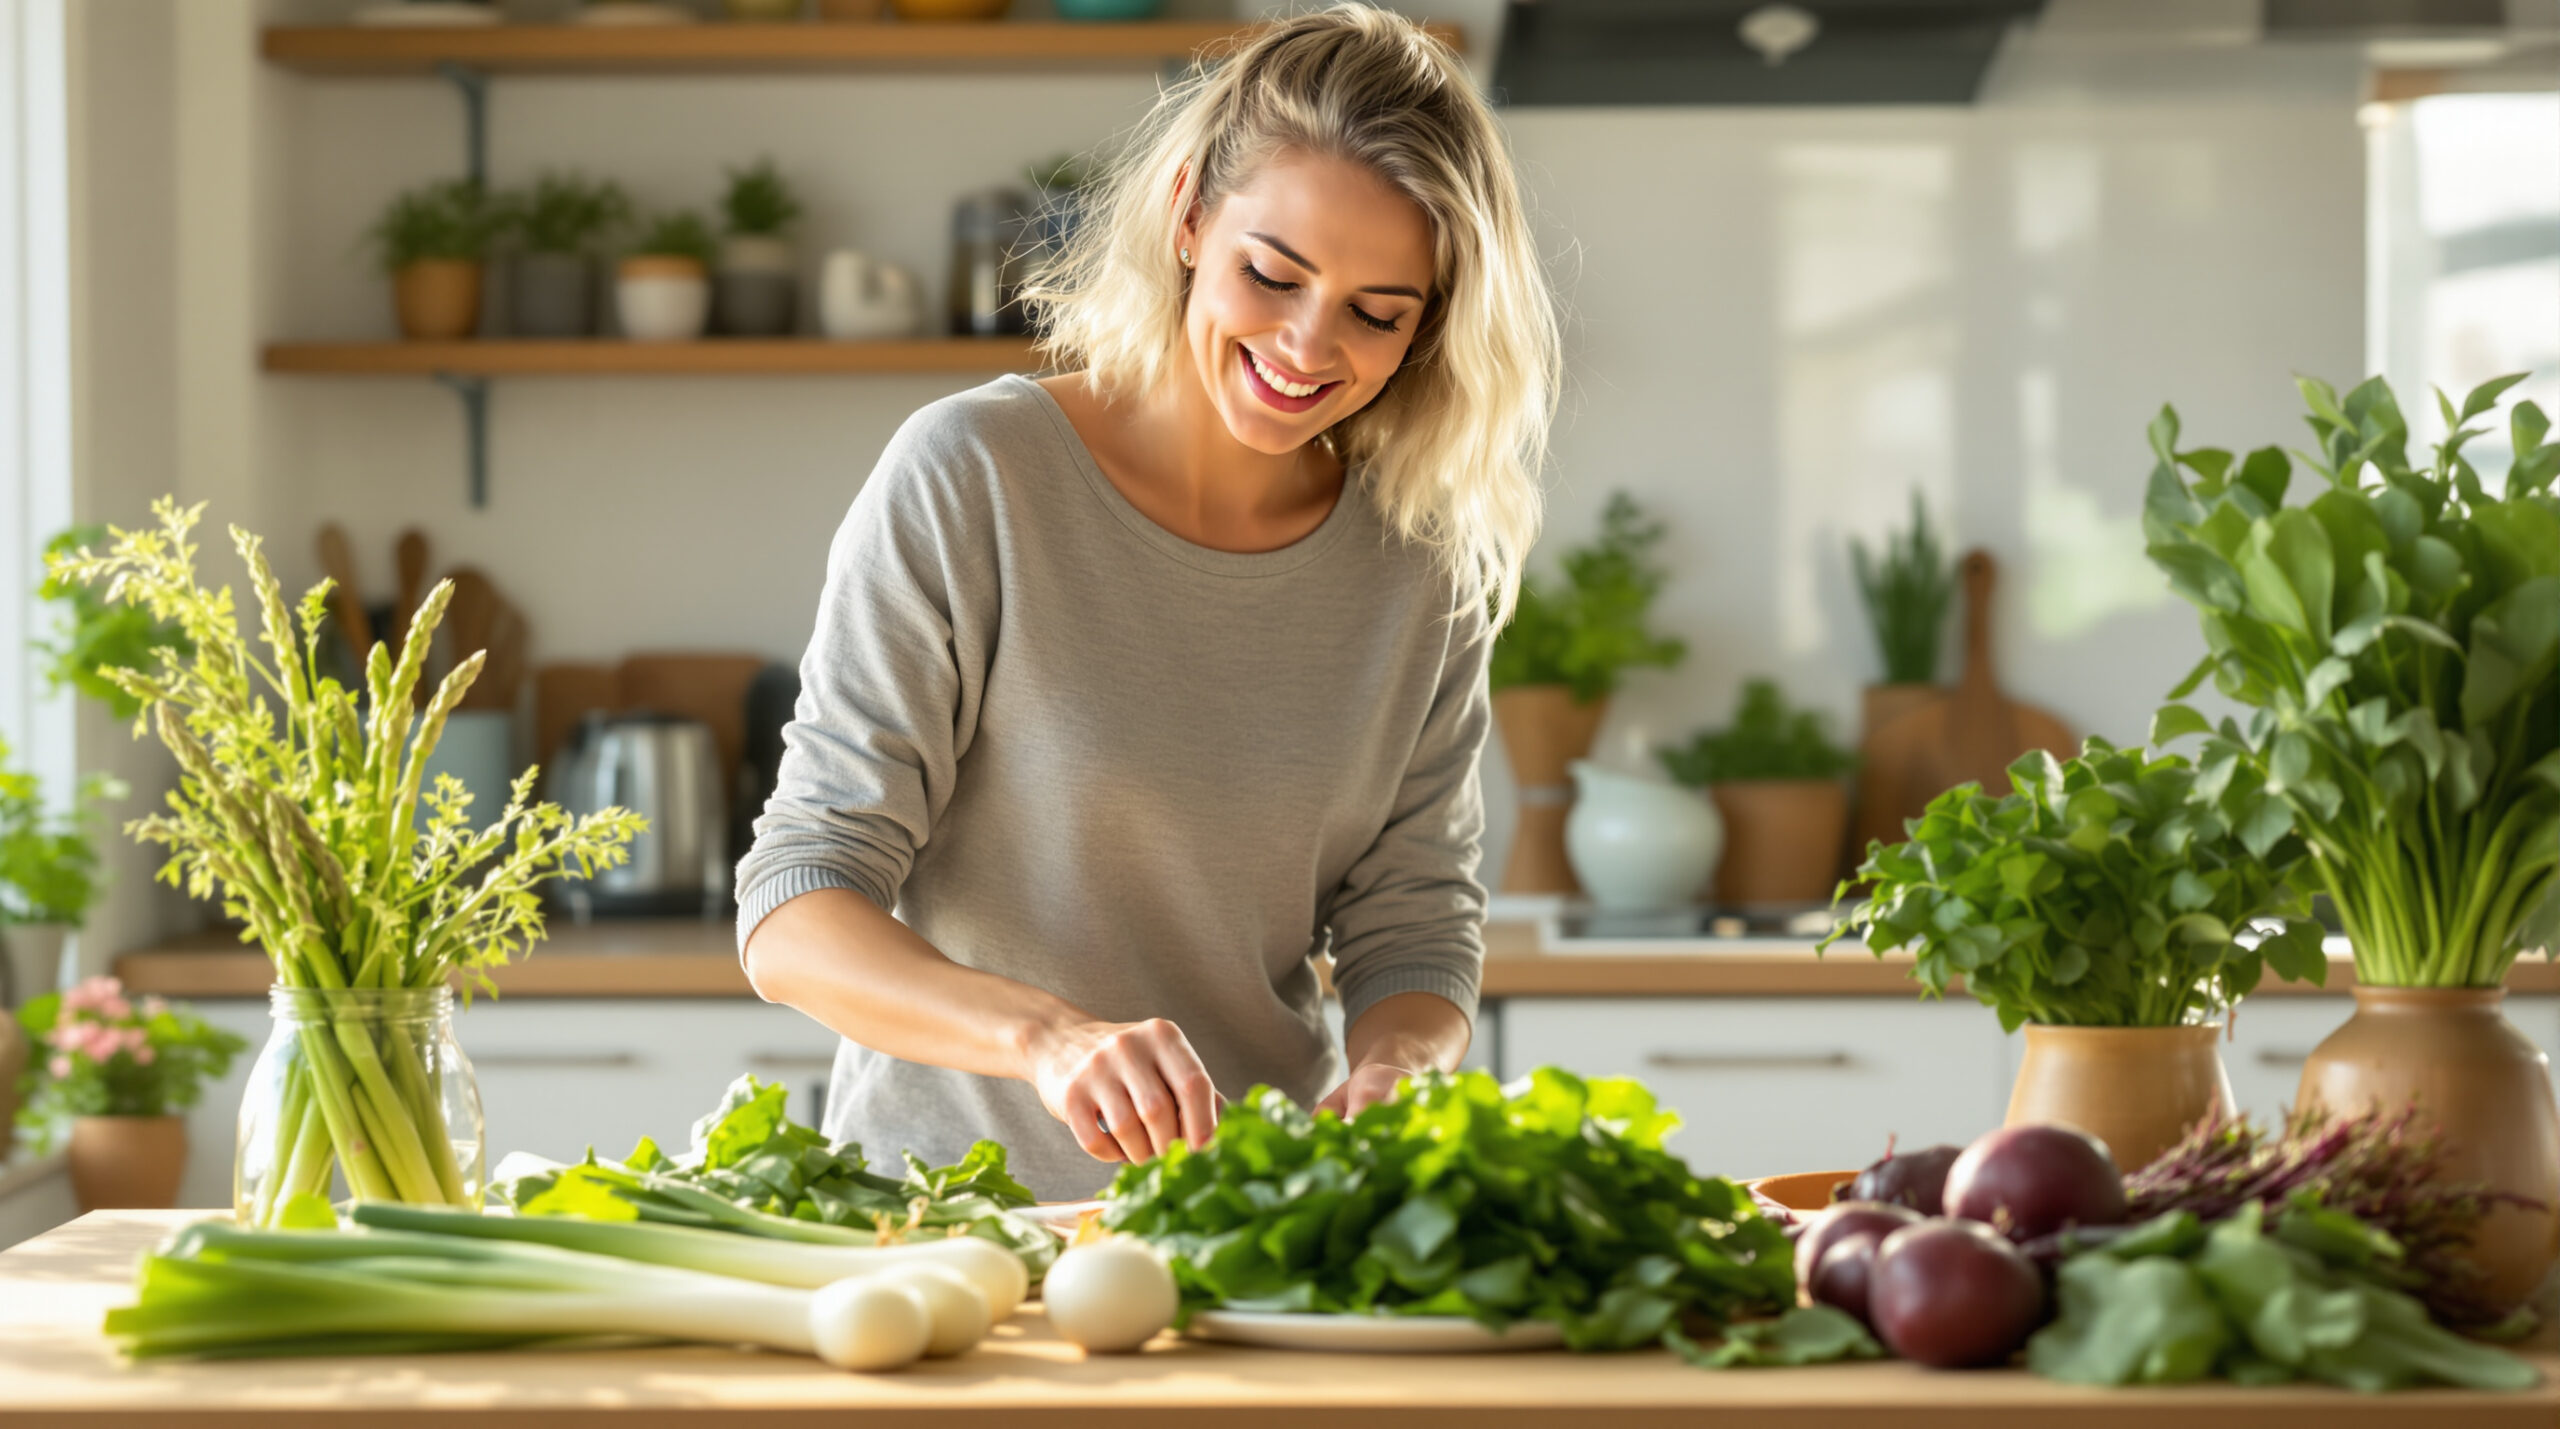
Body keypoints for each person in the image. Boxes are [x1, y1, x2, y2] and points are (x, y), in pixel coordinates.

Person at [735, 4, 1561, 1199]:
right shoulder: (979, 473)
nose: (1305, 343)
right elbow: (798, 904)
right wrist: (1047, 1039)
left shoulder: (1417, 559)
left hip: (1257, 1224)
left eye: (1377, 312)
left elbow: (1414, 920)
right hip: (954, 1229)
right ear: (1186, 215)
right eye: (1271, 273)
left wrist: (1398, 1064)